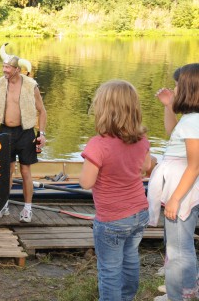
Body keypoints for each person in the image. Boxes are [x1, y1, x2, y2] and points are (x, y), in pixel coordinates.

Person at [79, 80, 151, 301]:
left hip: (112, 219)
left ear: (103, 110)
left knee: (109, 270)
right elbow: (147, 167)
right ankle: (127, 297)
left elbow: (85, 182)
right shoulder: (141, 139)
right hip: (139, 213)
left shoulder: (97, 145)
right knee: (130, 260)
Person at [148, 63, 199, 301]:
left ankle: (178, 295)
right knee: (178, 242)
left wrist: (176, 199)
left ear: (189, 88)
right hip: (182, 188)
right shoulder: (190, 119)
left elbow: (195, 165)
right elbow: (171, 131)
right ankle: (186, 287)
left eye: (178, 85)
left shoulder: (193, 122)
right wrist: (169, 106)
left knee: (179, 247)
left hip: (184, 192)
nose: (175, 89)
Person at [0, 43, 47, 223]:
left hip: (25, 133)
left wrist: (42, 134)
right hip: (5, 132)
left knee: (25, 171)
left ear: (17, 69)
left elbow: (42, 111)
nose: (4, 70)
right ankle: (4, 205)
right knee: (6, 171)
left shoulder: (31, 85)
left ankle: (27, 208)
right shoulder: (1, 82)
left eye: (7, 67)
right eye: (3, 67)